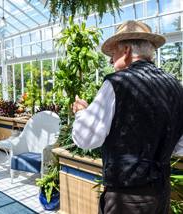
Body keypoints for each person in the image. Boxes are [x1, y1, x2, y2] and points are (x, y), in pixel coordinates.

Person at [72, 20, 183, 214]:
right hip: (160, 194)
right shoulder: (176, 86)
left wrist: (81, 113)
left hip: (126, 198)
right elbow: (180, 146)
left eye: (112, 53)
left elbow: (87, 138)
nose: (110, 61)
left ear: (126, 51)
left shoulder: (118, 83)